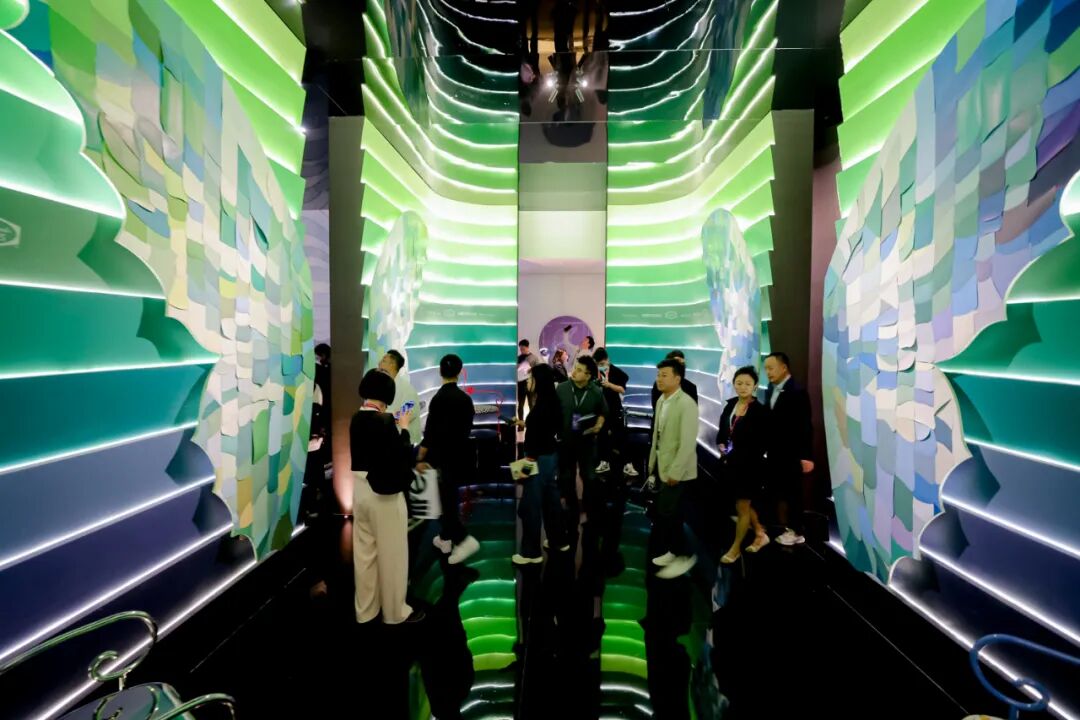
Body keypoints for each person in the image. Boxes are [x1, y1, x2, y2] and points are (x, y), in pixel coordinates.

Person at [350, 369, 423, 625]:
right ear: (386, 396)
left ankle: (366, 610)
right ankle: (395, 612)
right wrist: (403, 429)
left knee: (364, 554)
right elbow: (401, 455)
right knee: (393, 556)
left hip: (360, 492)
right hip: (385, 497)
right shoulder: (385, 422)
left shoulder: (356, 418)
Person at [418, 354, 481, 565]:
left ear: (440, 371)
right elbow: (467, 428)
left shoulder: (438, 399)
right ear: (459, 372)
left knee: (444, 502)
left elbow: (430, 433)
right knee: (449, 497)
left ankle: (463, 540)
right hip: (460, 456)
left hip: (441, 458)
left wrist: (422, 456)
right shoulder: (465, 399)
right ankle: (445, 539)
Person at [647, 358, 700, 580]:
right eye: (658, 375)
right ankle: (673, 552)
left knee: (670, 512)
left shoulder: (687, 404)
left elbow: (687, 443)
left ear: (677, 379)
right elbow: (657, 436)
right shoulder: (662, 400)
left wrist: (676, 472)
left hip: (677, 471)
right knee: (668, 512)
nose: (659, 379)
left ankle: (683, 556)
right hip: (662, 464)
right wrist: (652, 465)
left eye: (664, 375)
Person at [512, 363, 568, 563]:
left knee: (531, 505)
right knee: (551, 501)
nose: (528, 381)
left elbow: (538, 433)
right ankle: (558, 540)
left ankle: (530, 553)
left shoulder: (542, 405)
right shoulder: (552, 400)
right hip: (550, 456)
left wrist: (526, 464)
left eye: (530, 378)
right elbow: (546, 428)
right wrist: (524, 423)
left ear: (539, 381)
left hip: (536, 458)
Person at [716, 366, 770, 562]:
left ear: (755, 386)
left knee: (742, 505)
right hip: (730, 464)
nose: (743, 387)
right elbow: (723, 429)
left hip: (749, 467)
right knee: (742, 505)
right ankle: (760, 533)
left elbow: (763, 442)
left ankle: (735, 548)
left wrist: (741, 452)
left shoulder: (760, 411)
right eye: (739, 383)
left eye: (748, 384)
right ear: (734, 384)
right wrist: (721, 443)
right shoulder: (730, 405)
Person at [763, 352, 814, 546]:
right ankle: (772, 526)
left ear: (784, 367)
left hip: (792, 452)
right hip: (774, 451)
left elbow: (805, 426)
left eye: (771, 368)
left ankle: (797, 531)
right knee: (774, 489)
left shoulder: (798, 391)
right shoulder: (770, 388)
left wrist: (806, 456)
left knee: (793, 493)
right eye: (766, 369)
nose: (768, 372)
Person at [556, 356, 608, 529]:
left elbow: (603, 412)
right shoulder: (562, 388)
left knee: (589, 477)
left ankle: (589, 512)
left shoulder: (596, 391)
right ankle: (570, 512)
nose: (574, 372)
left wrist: (598, 426)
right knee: (566, 477)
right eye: (575, 368)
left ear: (588, 375)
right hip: (565, 441)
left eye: (579, 370)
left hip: (587, 442)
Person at [592, 348, 636, 477]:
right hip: (600, 409)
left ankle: (628, 464)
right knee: (602, 436)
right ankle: (604, 462)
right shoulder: (594, 372)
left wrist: (609, 385)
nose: (600, 366)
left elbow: (622, 390)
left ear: (607, 360)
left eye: (602, 363)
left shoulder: (617, 372)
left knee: (621, 436)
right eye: (598, 364)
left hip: (614, 408)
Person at [379, 349, 422, 446]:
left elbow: (406, 414)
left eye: (383, 360)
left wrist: (383, 417)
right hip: (388, 440)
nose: (379, 363)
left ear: (392, 364)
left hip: (403, 442)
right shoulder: (384, 386)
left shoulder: (407, 389)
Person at [517, 339, 540, 420]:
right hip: (521, 384)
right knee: (520, 405)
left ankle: (532, 423)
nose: (521, 350)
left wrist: (531, 369)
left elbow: (539, 370)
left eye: (523, 348)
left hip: (531, 385)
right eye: (520, 349)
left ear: (527, 347)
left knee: (532, 405)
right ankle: (520, 424)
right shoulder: (518, 358)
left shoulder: (534, 358)